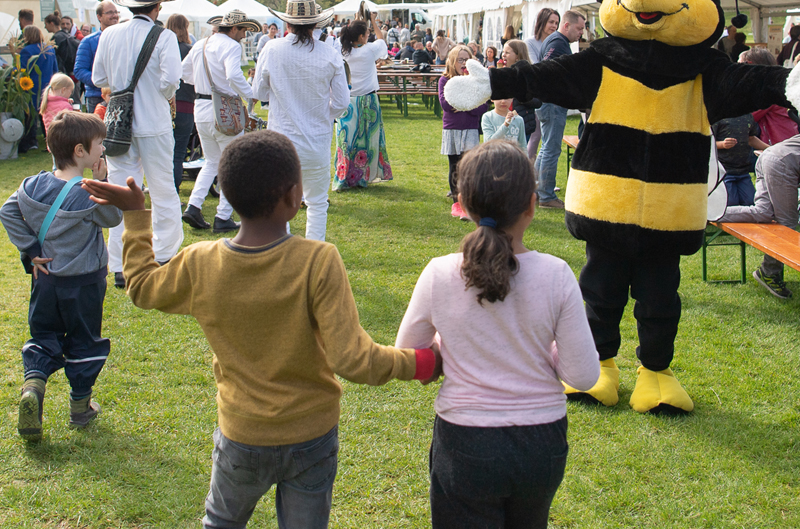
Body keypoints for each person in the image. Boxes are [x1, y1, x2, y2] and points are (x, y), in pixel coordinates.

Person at [81, 129, 438, 528]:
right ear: (292, 196)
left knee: (220, 522)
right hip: (311, 435)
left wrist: (135, 216)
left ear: (229, 198)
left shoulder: (202, 262)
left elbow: (143, 287)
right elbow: (353, 360)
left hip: (242, 434)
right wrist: (424, 362)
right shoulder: (317, 261)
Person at [395, 140, 599, 528]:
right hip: (541, 443)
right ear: (532, 205)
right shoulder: (556, 274)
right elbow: (584, 375)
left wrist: (444, 346)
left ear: (465, 205)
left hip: (465, 442)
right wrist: (541, 345)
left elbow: (406, 354)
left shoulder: (439, 273)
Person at [1, 111, 123, 441]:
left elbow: (8, 210)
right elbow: (112, 217)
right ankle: (80, 409)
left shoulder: (33, 184)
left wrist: (30, 249)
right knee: (84, 343)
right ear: (80, 151)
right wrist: (103, 182)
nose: (103, 150)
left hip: (46, 281)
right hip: (83, 284)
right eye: (99, 144)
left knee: (43, 337)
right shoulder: (87, 192)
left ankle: (34, 387)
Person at [92, 0, 184, 289]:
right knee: (163, 190)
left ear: (130, 7)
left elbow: (98, 78)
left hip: (119, 121)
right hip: (154, 121)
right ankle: (164, 255)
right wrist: (159, 94)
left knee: (120, 191)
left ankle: (119, 264)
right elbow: (171, 80)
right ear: (157, 7)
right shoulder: (164, 36)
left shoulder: (109, 34)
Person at [254, 0, 350, 242]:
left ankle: (280, 252)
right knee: (317, 203)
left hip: (281, 142)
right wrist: (321, 118)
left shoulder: (272, 49)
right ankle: (314, 255)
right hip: (315, 141)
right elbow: (341, 102)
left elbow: (259, 92)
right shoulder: (329, 53)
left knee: (278, 204)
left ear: (287, 24)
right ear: (314, 24)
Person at [181, 9, 259, 232]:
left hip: (201, 106)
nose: (244, 36)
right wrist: (249, 93)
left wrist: (204, 82)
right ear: (234, 29)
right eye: (243, 30)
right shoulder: (231, 46)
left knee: (212, 161)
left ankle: (194, 207)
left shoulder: (201, 44)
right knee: (233, 164)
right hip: (224, 107)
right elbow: (234, 75)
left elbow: (184, 72)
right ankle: (223, 216)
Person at [720, 134, 800, 299]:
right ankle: (769, 272)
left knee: (762, 212)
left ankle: (707, 213)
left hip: (767, 156)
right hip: (781, 164)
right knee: (787, 224)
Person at [334, 14, 393, 191]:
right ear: (361, 37)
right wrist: (373, 22)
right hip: (368, 99)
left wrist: (357, 23)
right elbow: (382, 39)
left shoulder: (342, 50)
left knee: (346, 140)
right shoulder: (369, 51)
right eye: (366, 34)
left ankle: (345, 175)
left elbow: (343, 39)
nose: (369, 36)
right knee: (369, 139)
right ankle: (365, 174)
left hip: (347, 100)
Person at [535, 9, 586, 208]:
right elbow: (547, 70)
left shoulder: (556, 41)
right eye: (579, 28)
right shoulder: (558, 44)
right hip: (552, 102)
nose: (581, 32)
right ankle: (546, 196)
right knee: (551, 148)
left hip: (547, 101)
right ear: (567, 25)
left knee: (546, 147)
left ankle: (538, 192)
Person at [439, 45, 488, 219]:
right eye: (460, 59)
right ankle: (456, 202)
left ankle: (469, 199)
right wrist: (467, 104)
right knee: (454, 166)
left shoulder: (474, 81)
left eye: (467, 59)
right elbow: (445, 104)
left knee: (470, 166)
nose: (463, 63)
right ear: (453, 61)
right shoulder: (445, 80)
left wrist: (464, 105)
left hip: (470, 129)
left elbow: (481, 105)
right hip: (452, 129)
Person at [166, 14, 196, 192]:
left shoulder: (163, 49)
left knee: (165, 154)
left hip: (164, 104)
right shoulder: (189, 50)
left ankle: (165, 191)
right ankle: (173, 192)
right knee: (178, 154)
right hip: (185, 105)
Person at [712, 113, 769, 206]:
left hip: (743, 171)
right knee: (730, 203)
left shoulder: (748, 116)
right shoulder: (717, 117)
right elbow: (706, 141)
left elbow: (751, 139)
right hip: (724, 171)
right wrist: (722, 144)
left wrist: (771, 148)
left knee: (751, 202)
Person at [74, 1, 120, 114]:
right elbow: (79, 70)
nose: (114, 15)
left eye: (116, 12)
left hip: (120, 94)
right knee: (97, 131)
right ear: (99, 17)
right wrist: (102, 82)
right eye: (109, 12)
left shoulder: (124, 39)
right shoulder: (88, 42)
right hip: (97, 97)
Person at [18, 25, 59, 153]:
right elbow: (55, 68)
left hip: (32, 86)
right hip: (48, 86)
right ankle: (51, 141)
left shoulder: (27, 51)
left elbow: (22, 70)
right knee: (47, 115)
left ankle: (31, 141)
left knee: (30, 115)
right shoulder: (50, 48)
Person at [502, 40, 542, 162]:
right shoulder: (502, 74)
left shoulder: (529, 75)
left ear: (518, 56)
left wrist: (522, 96)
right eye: (503, 52)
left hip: (522, 124)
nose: (503, 55)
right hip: (503, 123)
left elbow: (538, 101)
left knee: (518, 158)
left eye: (507, 52)